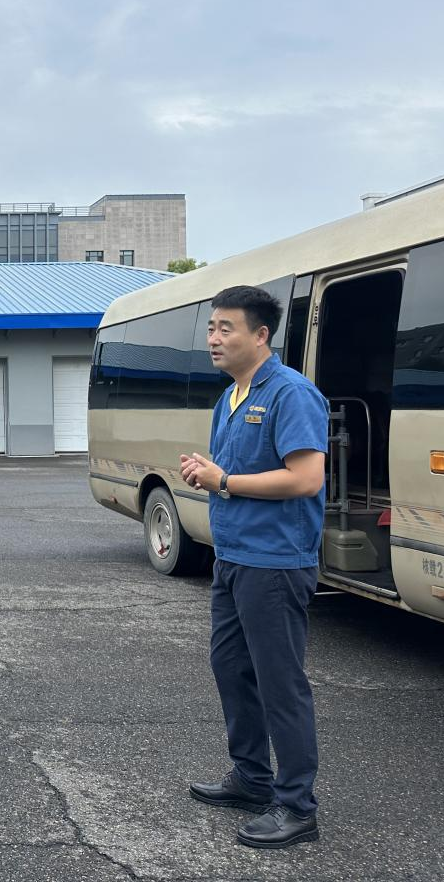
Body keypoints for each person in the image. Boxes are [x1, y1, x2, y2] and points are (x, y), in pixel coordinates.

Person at [180, 285, 328, 850]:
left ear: (261, 335)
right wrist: (209, 469)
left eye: (227, 328)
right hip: (234, 557)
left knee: (279, 683)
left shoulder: (291, 393)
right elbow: (234, 471)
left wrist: (224, 481)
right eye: (212, 327)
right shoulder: (231, 396)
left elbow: (306, 478)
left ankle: (296, 807)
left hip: (275, 563)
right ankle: (251, 777)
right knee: (231, 669)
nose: (215, 339)